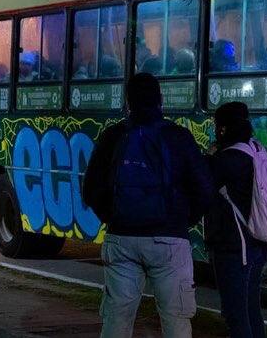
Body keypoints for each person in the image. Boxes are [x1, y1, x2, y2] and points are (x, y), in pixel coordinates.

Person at [83, 73, 214, 338]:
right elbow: (204, 189)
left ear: (128, 101)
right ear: (160, 100)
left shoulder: (114, 136)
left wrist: (113, 217)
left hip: (122, 238)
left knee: (117, 319)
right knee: (176, 320)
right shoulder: (178, 137)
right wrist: (181, 220)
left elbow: (91, 189)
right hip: (169, 239)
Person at [205, 102, 267, 338]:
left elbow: (203, 186)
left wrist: (210, 155)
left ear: (223, 129)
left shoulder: (227, 159)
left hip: (234, 247)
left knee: (235, 315)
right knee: (252, 310)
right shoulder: (257, 150)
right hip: (258, 244)